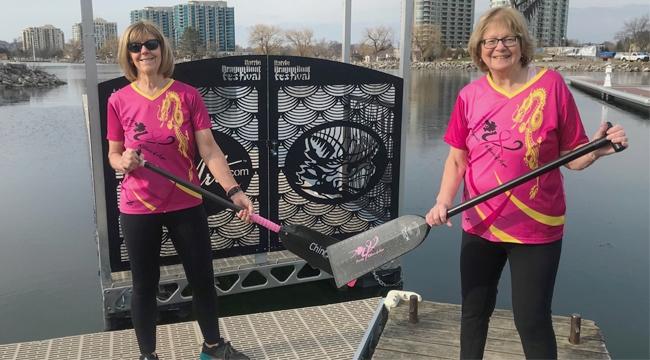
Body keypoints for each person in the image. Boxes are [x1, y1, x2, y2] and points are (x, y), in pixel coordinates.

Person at [425, 7, 628, 360]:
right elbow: (458, 159)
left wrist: (598, 150)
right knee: (473, 315)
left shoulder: (550, 85)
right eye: (490, 40)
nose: (499, 47)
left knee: (531, 321)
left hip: (536, 227)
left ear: (521, 44)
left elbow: (573, 156)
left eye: (508, 39)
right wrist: (443, 200)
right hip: (478, 222)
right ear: (478, 49)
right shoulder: (469, 97)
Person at [107, 20, 254, 360]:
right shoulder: (118, 100)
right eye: (135, 46)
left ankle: (213, 349)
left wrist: (234, 191)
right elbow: (114, 154)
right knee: (144, 287)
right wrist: (123, 161)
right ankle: (148, 356)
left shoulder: (187, 95)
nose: (144, 51)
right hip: (137, 207)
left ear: (162, 48)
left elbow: (210, 150)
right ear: (128, 55)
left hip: (186, 203)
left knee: (202, 280)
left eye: (151, 44)